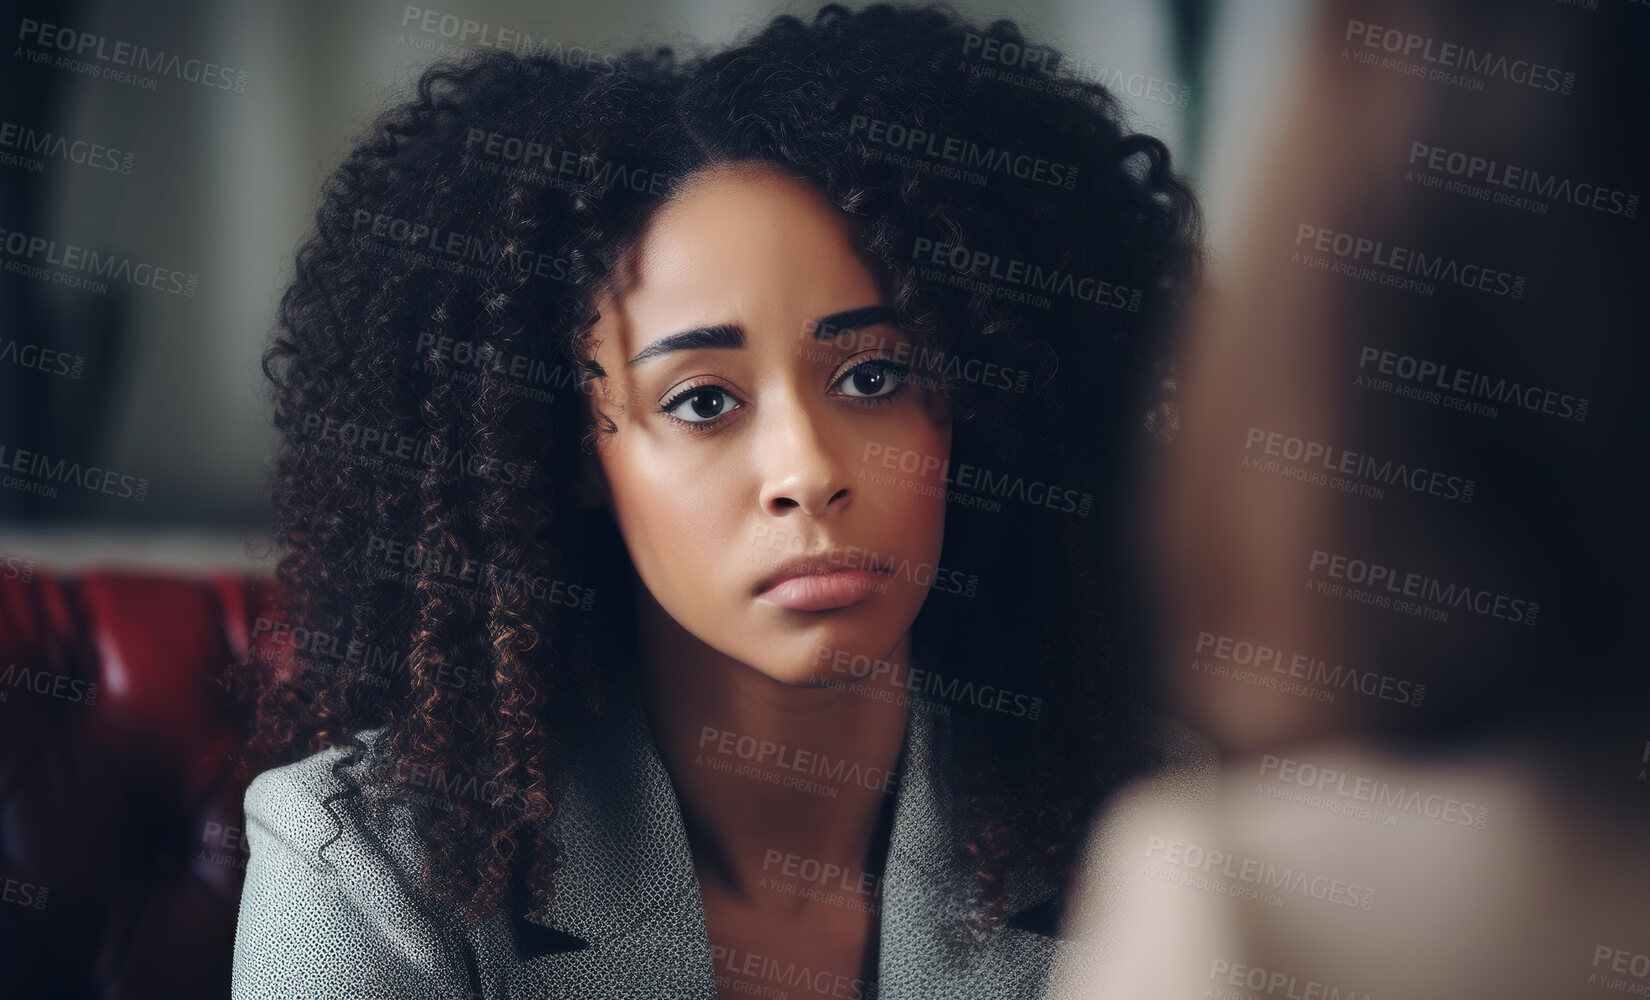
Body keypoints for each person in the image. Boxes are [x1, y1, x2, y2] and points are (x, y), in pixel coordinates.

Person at [225, 5, 1204, 998]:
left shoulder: (1165, 832)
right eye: (702, 400)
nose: (807, 470)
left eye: (871, 377)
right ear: (567, 458)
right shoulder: (366, 862)